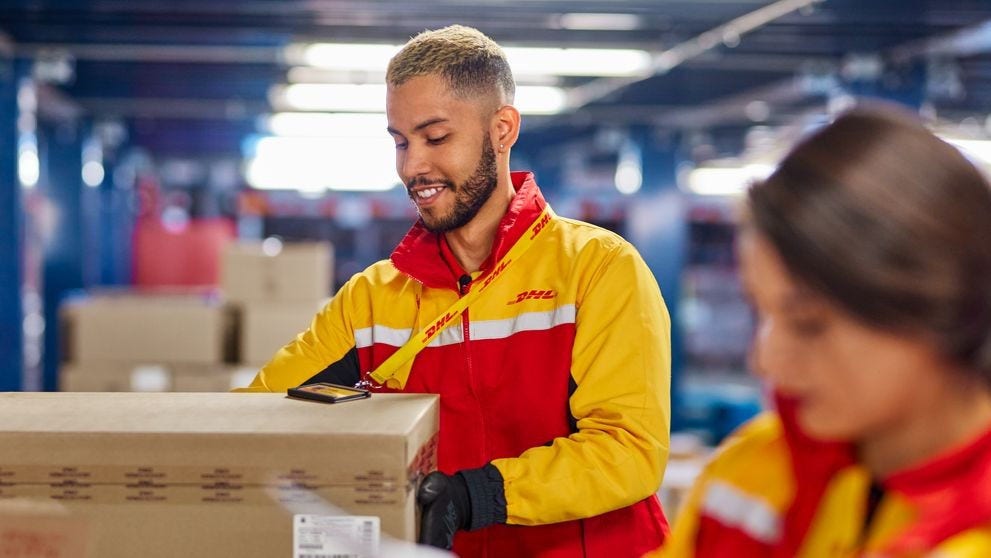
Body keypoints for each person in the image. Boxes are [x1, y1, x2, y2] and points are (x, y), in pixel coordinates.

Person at [236, 25, 671, 557]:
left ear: (502, 129)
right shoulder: (371, 301)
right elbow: (249, 424)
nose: (412, 166)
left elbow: (628, 450)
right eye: (400, 141)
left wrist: (478, 495)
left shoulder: (598, 271)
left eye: (435, 137)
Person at [656, 105, 991, 557]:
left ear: (939, 306)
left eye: (807, 325)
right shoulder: (753, 471)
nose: (766, 360)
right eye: (763, 314)